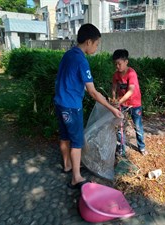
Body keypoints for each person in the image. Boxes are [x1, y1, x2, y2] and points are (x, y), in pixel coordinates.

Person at [54, 24, 122, 189]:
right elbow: (92, 92)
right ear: (89, 42)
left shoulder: (69, 54)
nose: (96, 47)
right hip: (71, 106)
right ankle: (76, 178)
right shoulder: (81, 60)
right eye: (97, 44)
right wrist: (112, 108)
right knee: (76, 141)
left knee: (64, 136)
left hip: (59, 103)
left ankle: (67, 165)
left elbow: (72, 80)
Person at [111, 49, 147, 157]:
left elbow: (131, 90)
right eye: (115, 64)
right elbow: (113, 87)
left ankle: (141, 147)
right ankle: (122, 148)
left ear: (126, 62)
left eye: (119, 64)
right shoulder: (116, 75)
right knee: (120, 127)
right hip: (121, 104)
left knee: (138, 126)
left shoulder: (131, 73)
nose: (117, 66)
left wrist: (118, 101)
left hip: (134, 104)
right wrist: (113, 98)